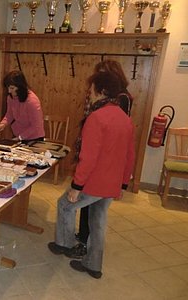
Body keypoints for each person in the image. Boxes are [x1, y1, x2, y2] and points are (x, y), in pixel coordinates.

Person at [47, 72, 135, 279]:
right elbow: (130, 154)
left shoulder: (96, 117)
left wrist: (76, 187)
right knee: (98, 222)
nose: (89, 92)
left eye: (92, 88)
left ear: (102, 91)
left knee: (65, 205)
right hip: (112, 183)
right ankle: (93, 265)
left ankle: (65, 244)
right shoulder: (125, 118)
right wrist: (123, 182)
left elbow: (88, 157)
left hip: (95, 182)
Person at [75, 60, 134, 258]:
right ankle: (87, 246)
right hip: (99, 160)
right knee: (92, 211)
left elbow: (116, 138)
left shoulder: (119, 101)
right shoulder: (105, 103)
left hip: (103, 164)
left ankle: (82, 244)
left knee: (88, 209)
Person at [0, 70, 45, 144]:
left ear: (20, 87)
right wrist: (3, 124)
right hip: (20, 136)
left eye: (12, 88)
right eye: (8, 88)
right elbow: (9, 114)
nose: (9, 91)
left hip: (35, 139)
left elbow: (36, 126)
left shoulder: (32, 101)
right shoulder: (10, 97)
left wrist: (20, 137)